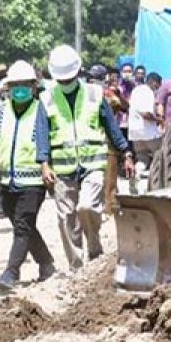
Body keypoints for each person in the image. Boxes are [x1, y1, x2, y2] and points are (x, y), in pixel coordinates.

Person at [40, 45, 134, 270]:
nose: (65, 82)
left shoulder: (94, 94)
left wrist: (126, 154)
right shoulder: (46, 99)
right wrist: (44, 164)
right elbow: (42, 133)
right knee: (66, 217)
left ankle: (93, 245)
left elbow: (112, 127)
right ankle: (76, 266)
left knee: (87, 207)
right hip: (62, 167)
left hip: (93, 164)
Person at [0, 60, 54, 291]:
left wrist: (45, 165)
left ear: (33, 86)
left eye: (25, 85)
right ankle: (46, 263)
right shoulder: (0, 110)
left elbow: (43, 139)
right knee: (23, 225)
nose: (20, 89)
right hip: (8, 180)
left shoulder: (39, 108)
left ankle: (11, 272)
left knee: (23, 226)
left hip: (33, 180)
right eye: (14, 85)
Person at [128, 72, 163, 179]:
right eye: (157, 85)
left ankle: (136, 175)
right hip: (148, 133)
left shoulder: (136, 90)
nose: (157, 88)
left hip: (135, 133)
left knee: (142, 158)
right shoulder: (148, 92)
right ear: (153, 82)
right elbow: (146, 114)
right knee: (159, 156)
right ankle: (155, 180)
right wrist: (160, 120)